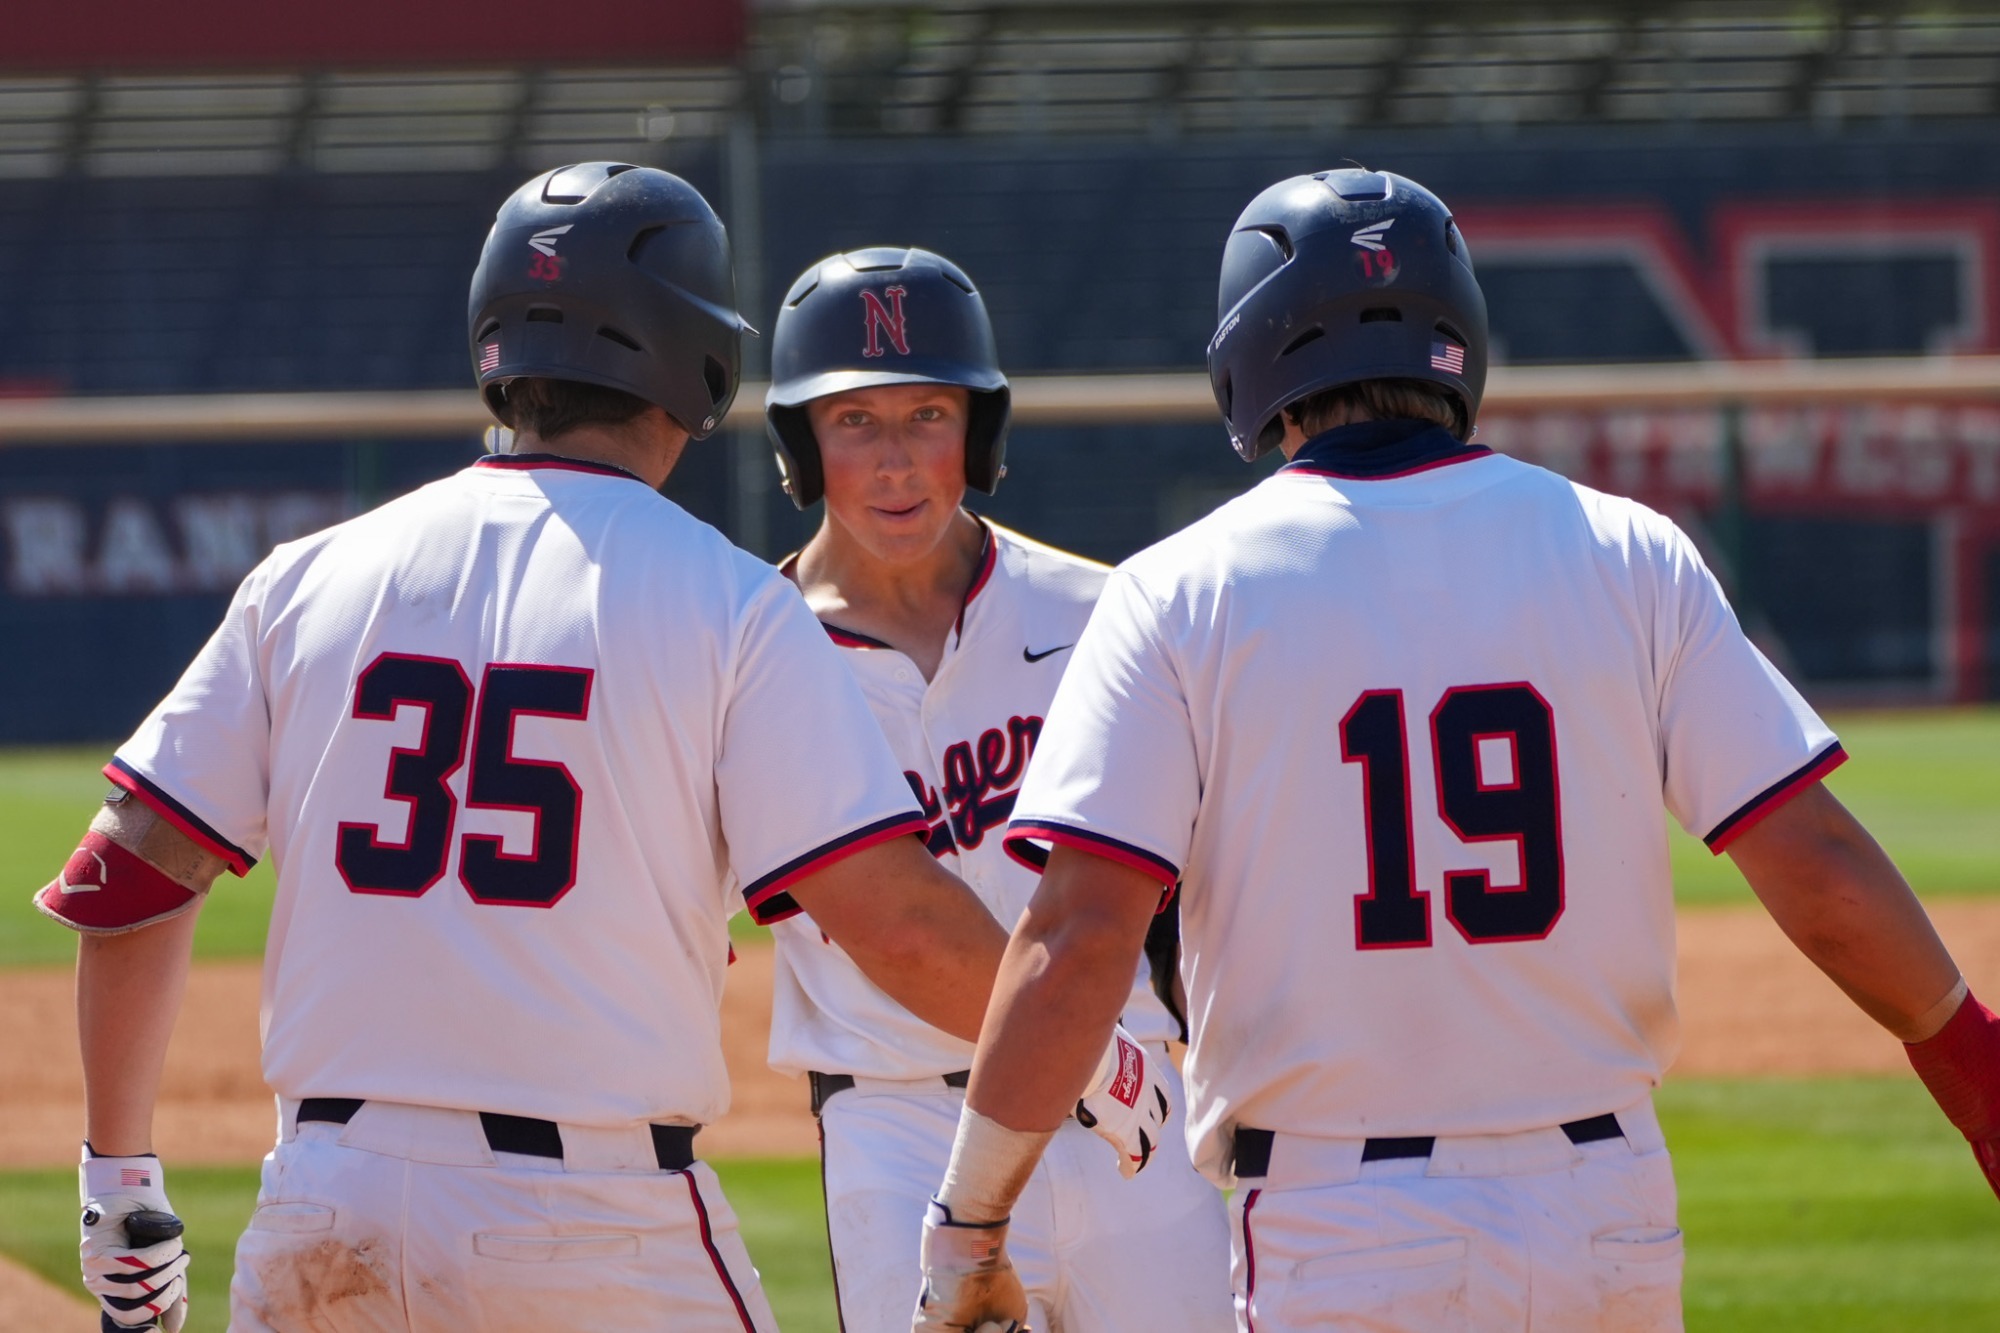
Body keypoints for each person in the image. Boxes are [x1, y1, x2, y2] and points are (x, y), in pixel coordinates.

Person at [912, 168, 2000, 1333]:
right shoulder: (1628, 550)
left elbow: (1078, 940)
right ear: (1457, 334)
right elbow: (1822, 873)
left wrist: (969, 1228)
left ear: (1249, 357)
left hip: (1341, 1229)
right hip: (1606, 1212)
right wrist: (1980, 1084)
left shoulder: (1177, 591)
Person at [34, 162, 1026, 1333]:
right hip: (594, 1230)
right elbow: (900, 925)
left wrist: (119, 1186)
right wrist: (1088, 1047)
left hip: (324, 1207)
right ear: (699, 360)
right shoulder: (726, 601)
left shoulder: (308, 577)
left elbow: (133, 870)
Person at [759, 247, 1233, 1331]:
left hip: (1129, 1126)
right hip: (899, 1129)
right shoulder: (752, 650)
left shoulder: (1099, 610)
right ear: (801, 444)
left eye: (926, 414)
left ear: (977, 430)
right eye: (853, 421)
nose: (893, 461)